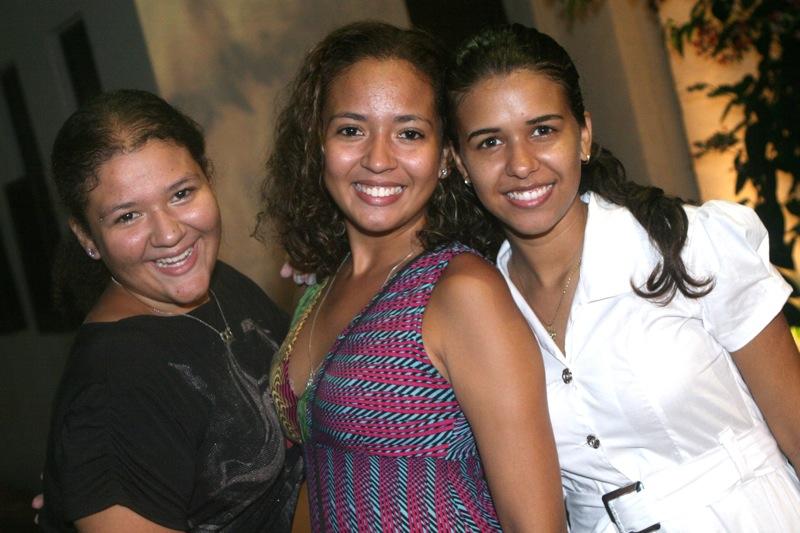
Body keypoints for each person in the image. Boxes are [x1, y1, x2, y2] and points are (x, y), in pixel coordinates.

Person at [447, 23, 800, 532]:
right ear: (460, 162)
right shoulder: (479, 309)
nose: (520, 164)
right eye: (489, 142)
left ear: (583, 135)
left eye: (543, 130)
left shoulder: (687, 244)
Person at [257, 21, 565, 531]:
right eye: (351, 130)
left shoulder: (461, 292)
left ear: (445, 156)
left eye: (409, 133)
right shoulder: (321, 287)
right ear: (318, 144)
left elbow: (537, 524)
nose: (378, 159)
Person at [40, 89, 302, 532]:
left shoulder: (221, 282)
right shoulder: (115, 388)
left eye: (181, 193)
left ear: (208, 177)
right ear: (86, 236)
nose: (169, 234)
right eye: (127, 216)